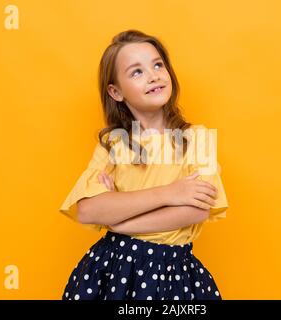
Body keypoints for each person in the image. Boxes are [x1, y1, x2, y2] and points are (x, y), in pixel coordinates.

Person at [59, 29, 228, 300]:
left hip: (176, 274)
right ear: (115, 91)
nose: (153, 76)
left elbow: (196, 211)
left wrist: (118, 218)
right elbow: (89, 211)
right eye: (136, 72)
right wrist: (170, 193)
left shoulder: (197, 138)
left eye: (158, 64)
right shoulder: (113, 144)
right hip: (113, 270)